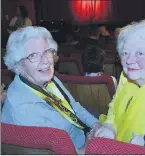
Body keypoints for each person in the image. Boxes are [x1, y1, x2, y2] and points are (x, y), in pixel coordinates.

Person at [1, 26, 102, 154]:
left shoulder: (49, 80)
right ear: (18, 64)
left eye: (48, 51)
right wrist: (87, 147)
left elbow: (73, 107)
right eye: (33, 55)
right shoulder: (22, 110)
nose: (46, 61)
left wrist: (96, 125)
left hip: (83, 134)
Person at [94, 20, 145, 154]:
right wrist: (109, 127)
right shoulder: (126, 77)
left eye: (140, 53)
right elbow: (114, 109)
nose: (129, 60)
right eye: (125, 53)